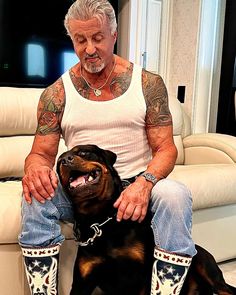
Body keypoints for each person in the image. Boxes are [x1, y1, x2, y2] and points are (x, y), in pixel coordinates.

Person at [19, 0, 197, 294]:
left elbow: (166, 149)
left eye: (97, 38)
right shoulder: (56, 93)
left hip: (137, 182)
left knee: (175, 195)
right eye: (80, 40)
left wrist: (144, 183)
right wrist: (36, 169)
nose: (89, 49)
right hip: (80, 186)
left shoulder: (148, 84)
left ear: (114, 35)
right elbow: (40, 154)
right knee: (34, 197)